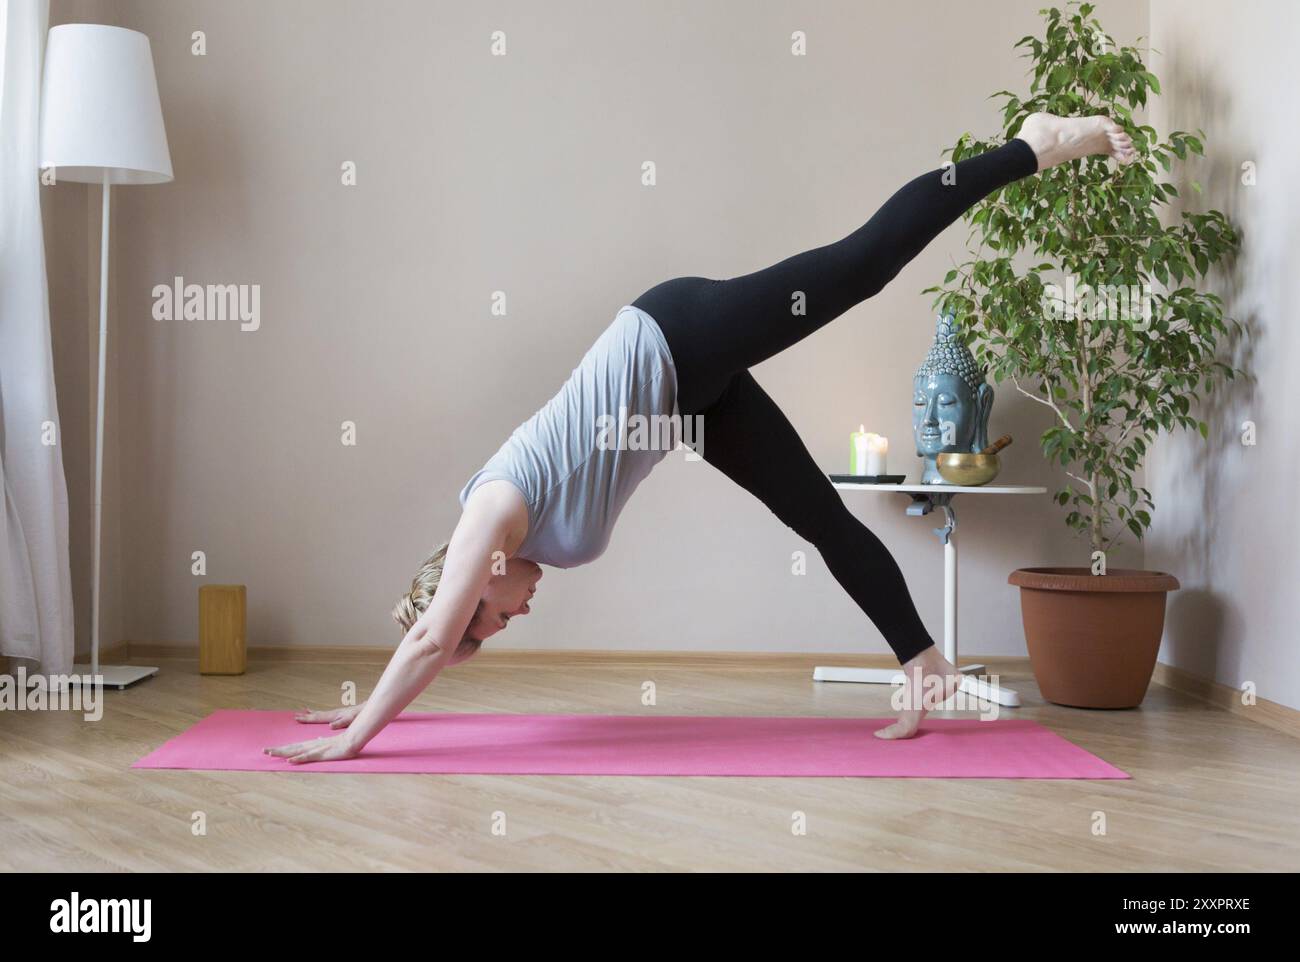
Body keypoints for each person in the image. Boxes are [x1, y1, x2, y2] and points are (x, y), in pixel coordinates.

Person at [266, 113, 1135, 763]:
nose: (518, 614)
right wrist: (369, 708)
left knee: (863, 265)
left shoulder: (491, 514)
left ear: (477, 580)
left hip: (673, 336)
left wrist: (354, 743)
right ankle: (924, 663)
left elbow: (429, 636)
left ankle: (1033, 146)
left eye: (494, 618)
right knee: (818, 517)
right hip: (685, 401)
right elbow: (431, 640)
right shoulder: (495, 549)